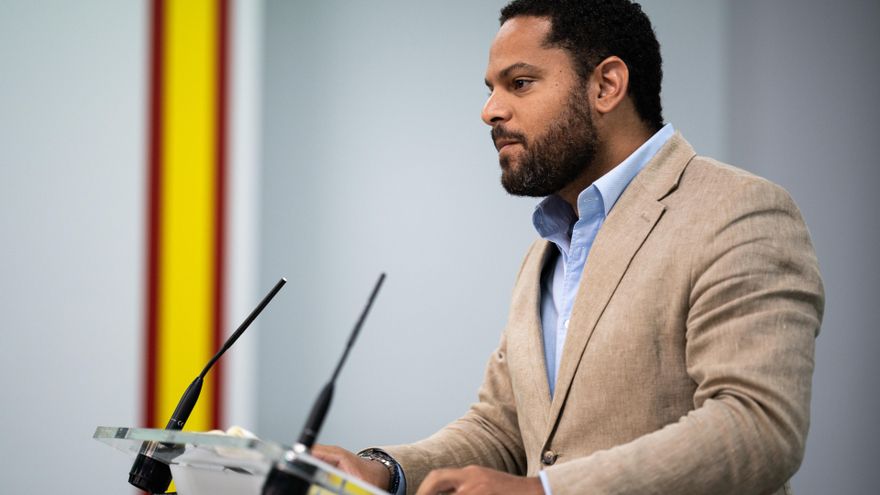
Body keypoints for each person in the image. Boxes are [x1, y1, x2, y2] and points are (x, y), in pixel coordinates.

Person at [313, 1, 824, 494]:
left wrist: (548, 490)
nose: (490, 110)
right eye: (491, 89)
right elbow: (504, 429)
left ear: (606, 85)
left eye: (519, 83)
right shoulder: (548, 248)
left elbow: (757, 427)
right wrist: (383, 470)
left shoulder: (738, 211)